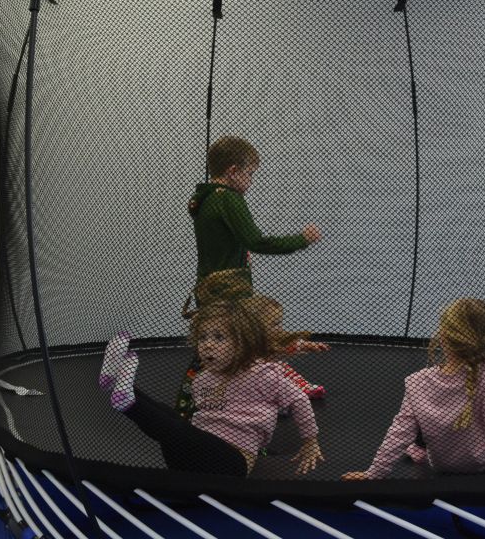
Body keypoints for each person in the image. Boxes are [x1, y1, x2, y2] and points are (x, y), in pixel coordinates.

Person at [99, 298, 323, 478]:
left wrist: (310, 441)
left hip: (231, 463)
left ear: (241, 343)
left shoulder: (262, 375)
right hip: (191, 458)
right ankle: (119, 382)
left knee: (175, 428)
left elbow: (299, 399)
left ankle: (129, 403)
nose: (207, 344)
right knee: (170, 417)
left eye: (219, 337)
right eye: (202, 337)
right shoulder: (202, 380)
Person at [341, 299, 485, 480]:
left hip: (444, 466)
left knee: (421, 414)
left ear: (443, 338)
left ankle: (418, 448)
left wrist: (374, 473)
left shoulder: (417, 382)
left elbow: (400, 432)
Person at [188, 135, 321, 290]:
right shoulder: (228, 198)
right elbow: (257, 242)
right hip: (228, 292)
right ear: (233, 172)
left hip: (206, 288)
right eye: (250, 173)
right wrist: (302, 239)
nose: (251, 181)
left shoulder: (206, 197)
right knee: (270, 306)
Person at [250, 293, 329, 400]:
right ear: (256, 326)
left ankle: (305, 388)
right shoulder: (247, 341)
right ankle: (287, 395)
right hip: (251, 378)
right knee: (278, 369)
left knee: (284, 369)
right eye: (274, 324)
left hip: (269, 377)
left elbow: (290, 343)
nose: (279, 328)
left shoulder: (275, 337)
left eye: (280, 323)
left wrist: (308, 345)